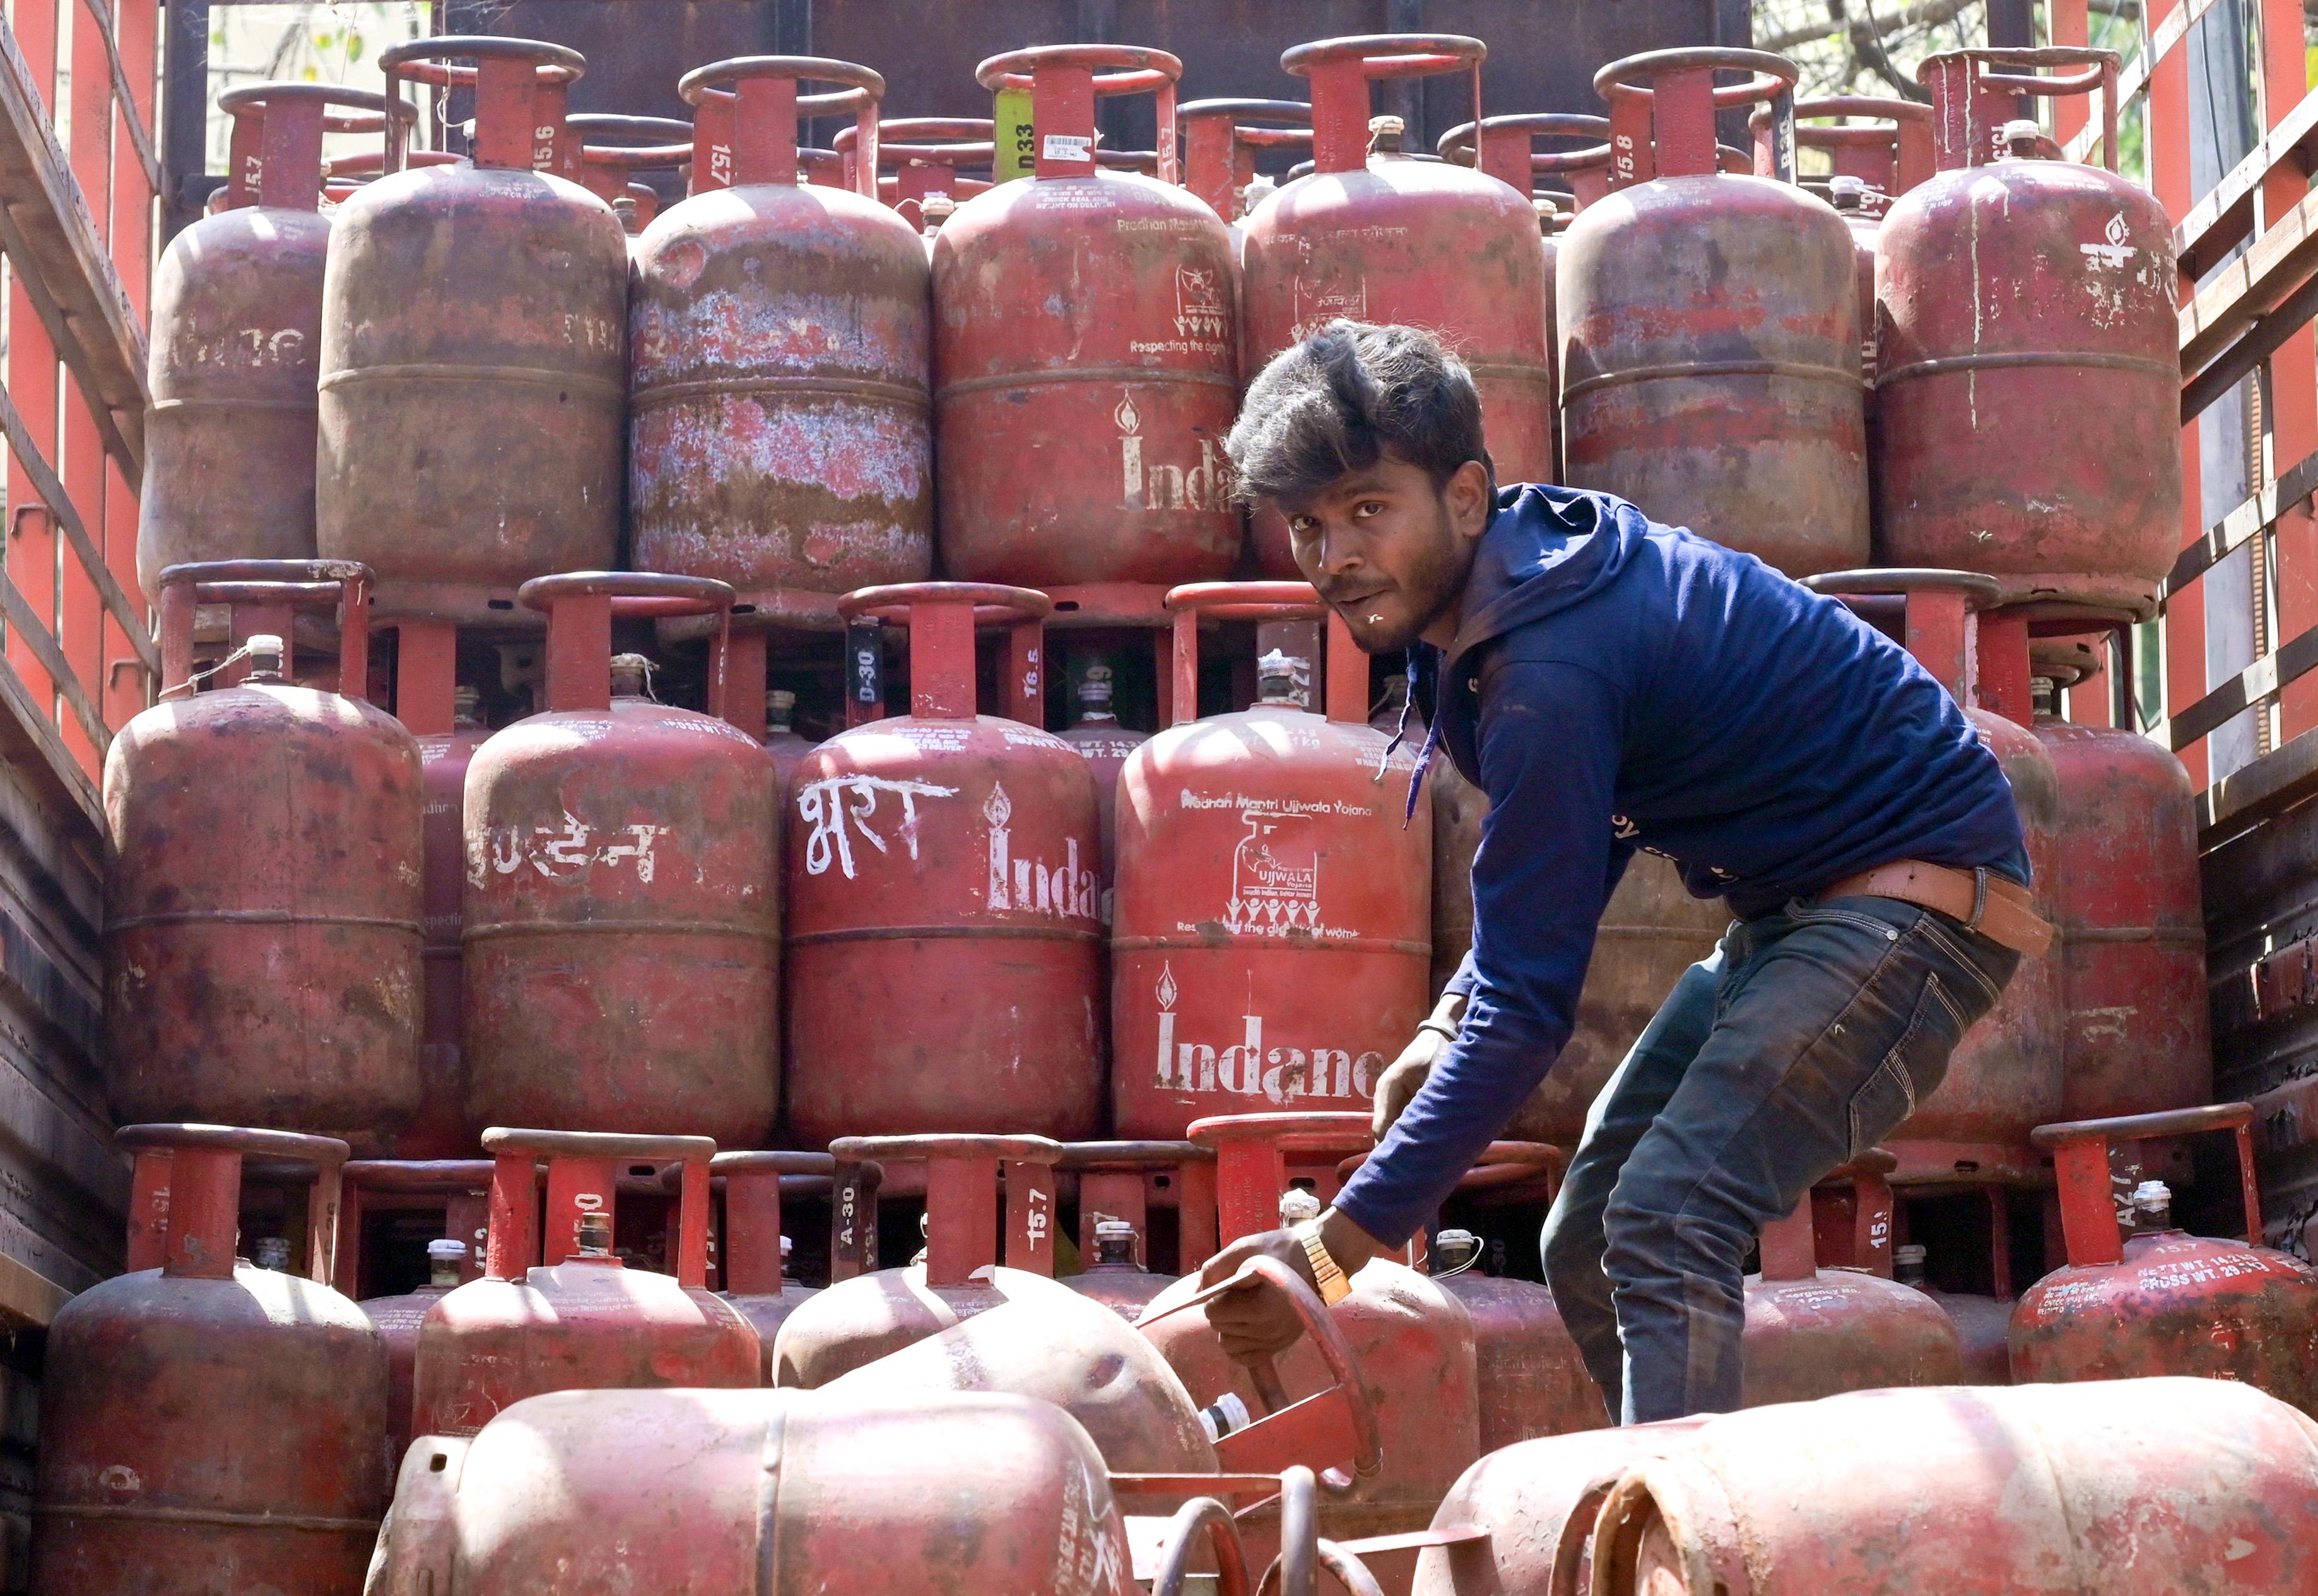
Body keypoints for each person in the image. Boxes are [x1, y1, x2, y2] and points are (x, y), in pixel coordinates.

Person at [1199, 319, 2047, 1424]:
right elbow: (1564, 860)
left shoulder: (1544, 659)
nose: (1335, 557)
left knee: (1664, 1217)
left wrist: (1326, 1256)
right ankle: (1661, 1498)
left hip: (1912, 904)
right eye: (1308, 525)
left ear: (1464, 497)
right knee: (1591, 1235)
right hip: (1791, 917)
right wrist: (1442, 1024)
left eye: (1368, 510)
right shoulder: (1514, 592)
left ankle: (1685, 1543)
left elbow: (1528, 1011)